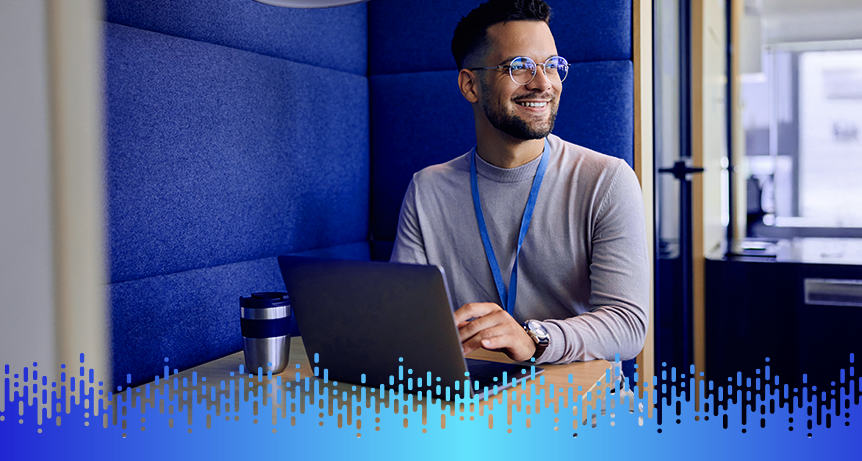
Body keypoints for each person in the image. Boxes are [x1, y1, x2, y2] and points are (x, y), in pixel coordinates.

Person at [390, 0, 649, 365]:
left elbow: (628, 325)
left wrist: (534, 338)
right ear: (470, 85)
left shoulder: (607, 180)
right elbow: (407, 317)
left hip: (576, 403)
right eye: (519, 67)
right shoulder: (428, 189)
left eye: (552, 66)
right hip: (467, 399)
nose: (543, 83)